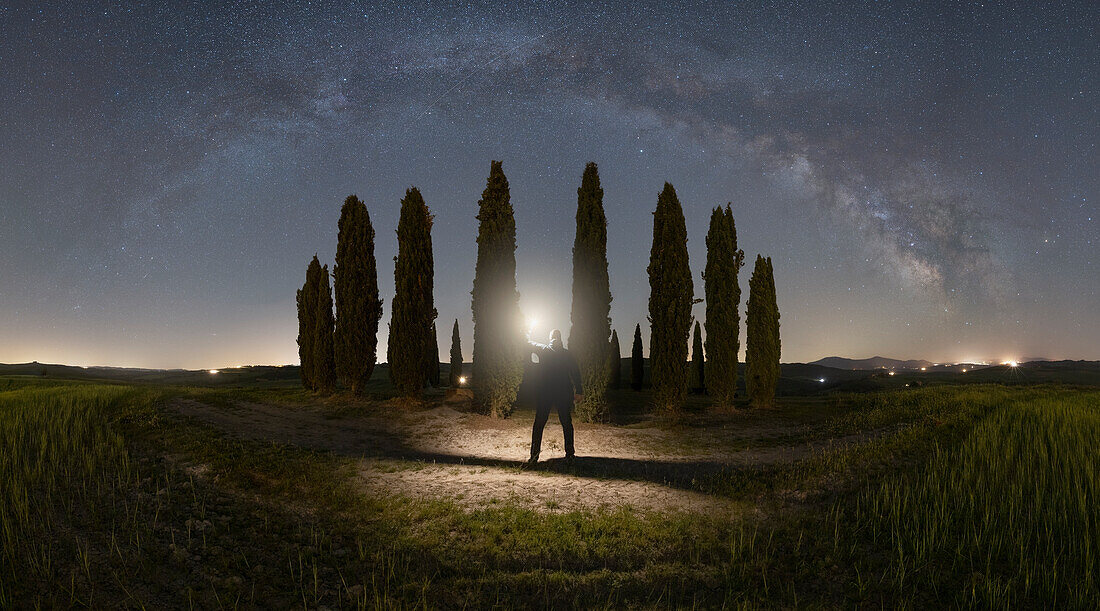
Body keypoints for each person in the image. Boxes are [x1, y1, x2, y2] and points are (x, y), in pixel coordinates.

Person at [526, 329, 583, 463]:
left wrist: (527, 332)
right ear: (560, 338)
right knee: (566, 422)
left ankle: (534, 456)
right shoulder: (567, 354)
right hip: (563, 392)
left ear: (551, 338)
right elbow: (575, 372)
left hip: (545, 391)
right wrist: (579, 390)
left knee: (539, 423)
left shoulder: (543, 349)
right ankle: (570, 453)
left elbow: (528, 343)